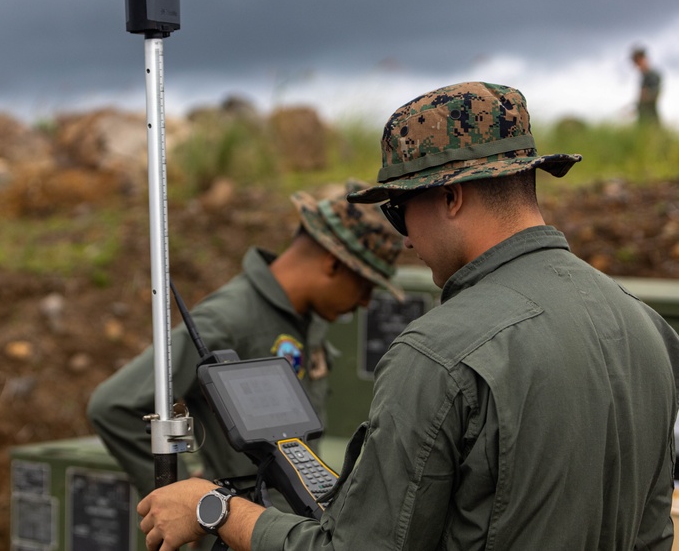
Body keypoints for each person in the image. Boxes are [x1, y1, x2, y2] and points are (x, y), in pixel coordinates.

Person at [138, 81, 679, 551]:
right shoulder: (648, 329)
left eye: (398, 210)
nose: (406, 241)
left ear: (450, 197)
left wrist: (216, 509)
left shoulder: (440, 352)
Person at [87, 182, 404, 499]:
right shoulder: (228, 320)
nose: (365, 303)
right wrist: (183, 494)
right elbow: (114, 405)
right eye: (365, 286)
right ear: (333, 263)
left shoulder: (309, 320)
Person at [631, 45, 663, 125]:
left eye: (638, 62)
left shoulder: (653, 75)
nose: (637, 66)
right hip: (643, 118)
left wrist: (644, 96)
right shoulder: (644, 77)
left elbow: (654, 94)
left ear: (643, 59)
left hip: (651, 119)